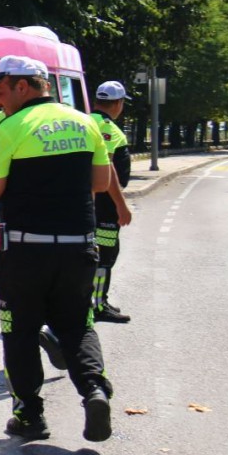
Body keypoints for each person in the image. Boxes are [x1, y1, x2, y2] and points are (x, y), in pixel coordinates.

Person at [0, 55, 114, 445]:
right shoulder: (86, 121)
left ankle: (29, 415)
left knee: (19, 332)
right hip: (78, 247)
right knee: (77, 325)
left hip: (27, 250)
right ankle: (94, 391)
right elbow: (101, 182)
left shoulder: (12, 126)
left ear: (22, 86)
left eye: (0, 91)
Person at [89, 80, 133, 322]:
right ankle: (97, 305)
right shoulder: (109, 130)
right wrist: (121, 205)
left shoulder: (84, 121)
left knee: (92, 252)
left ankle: (96, 301)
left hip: (87, 203)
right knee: (105, 254)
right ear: (118, 103)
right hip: (104, 205)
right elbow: (106, 169)